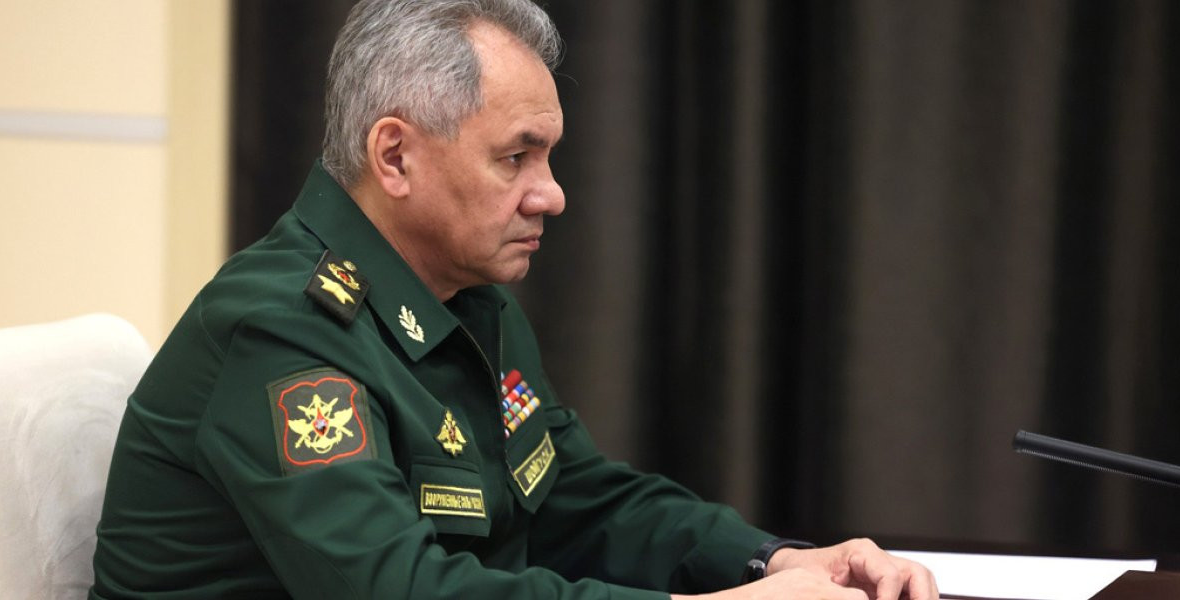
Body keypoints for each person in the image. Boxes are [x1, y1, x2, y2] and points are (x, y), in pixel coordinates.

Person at [90, 1, 937, 598]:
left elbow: (573, 499)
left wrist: (772, 562)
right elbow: (401, 591)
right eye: (516, 157)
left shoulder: (462, 296)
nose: (552, 195)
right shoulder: (284, 327)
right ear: (395, 157)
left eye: (550, 158)